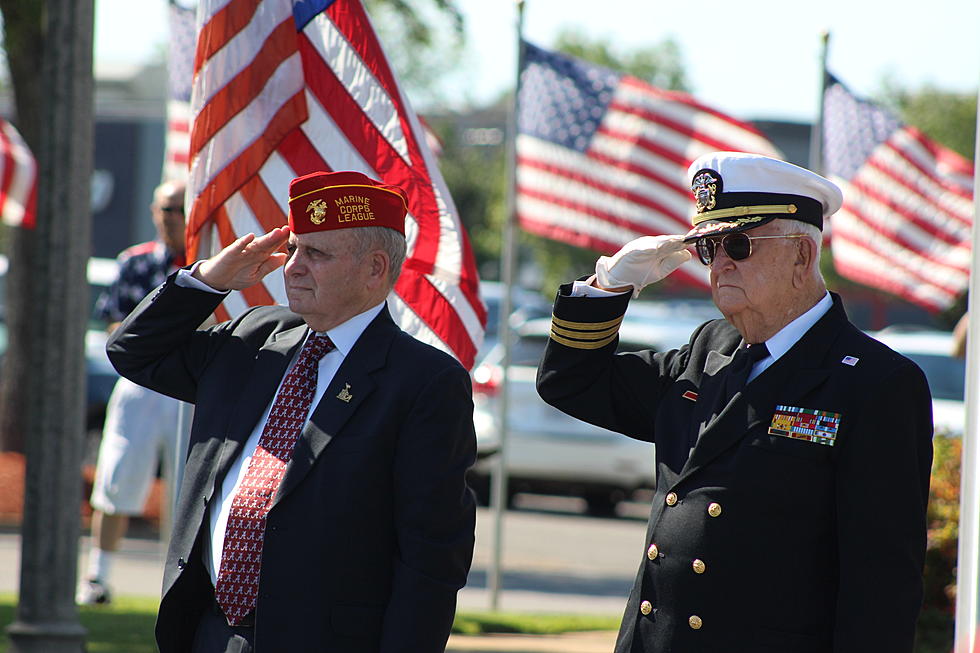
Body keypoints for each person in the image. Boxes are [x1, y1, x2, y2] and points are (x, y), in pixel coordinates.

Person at [536, 152, 934, 652]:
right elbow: (571, 383)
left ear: (801, 257)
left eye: (739, 244)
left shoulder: (876, 383)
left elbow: (881, 585)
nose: (720, 262)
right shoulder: (710, 350)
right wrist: (608, 286)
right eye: (709, 247)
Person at [105, 170, 477, 653]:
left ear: (374, 269)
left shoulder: (423, 380)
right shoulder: (254, 337)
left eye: (317, 254)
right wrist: (207, 281)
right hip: (209, 629)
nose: (293, 267)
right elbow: (133, 352)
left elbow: (431, 558)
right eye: (295, 248)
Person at [77, 179, 188, 606]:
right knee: (118, 476)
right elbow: (113, 325)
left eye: (178, 209)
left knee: (190, 485)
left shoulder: (210, 260)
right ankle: (97, 577)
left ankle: (181, 581)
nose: (170, 218)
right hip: (140, 385)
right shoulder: (136, 262)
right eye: (164, 209)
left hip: (189, 387)